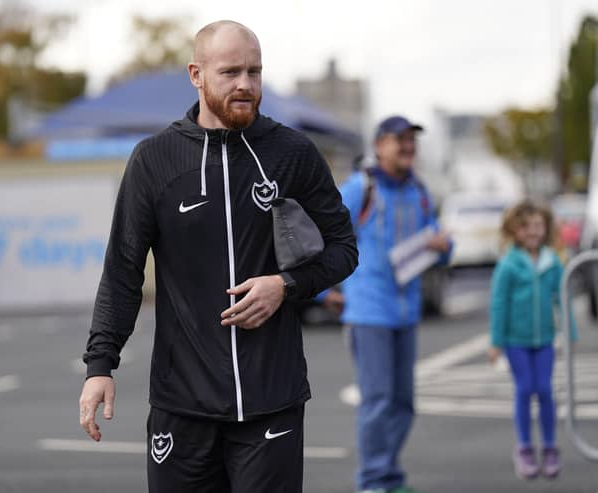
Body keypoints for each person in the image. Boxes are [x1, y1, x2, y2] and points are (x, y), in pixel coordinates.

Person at [78, 20, 358, 493]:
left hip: (272, 400)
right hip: (181, 405)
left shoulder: (293, 153)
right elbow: (123, 271)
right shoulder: (155, 160)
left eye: (255, 72)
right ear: (196, 74)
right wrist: (99, 366)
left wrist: (284, 286)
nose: (246, 85)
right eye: (230, 72)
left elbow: (344, 248)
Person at [321, 116, 452, 493]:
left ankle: (389, 474)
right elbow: (322, 235)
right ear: (379, 144)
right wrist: (321, 290)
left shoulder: (420, 192)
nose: (408, 147)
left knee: (403, 404)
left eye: (412, 140)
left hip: (406, 312)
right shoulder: (360, 189)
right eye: (400, 140)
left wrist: (444, 249)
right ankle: (374, 481)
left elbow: (438, 243)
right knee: (378, 403)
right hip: (368, 311)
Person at [488, 200, 577, 480]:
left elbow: (562, 300)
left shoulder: (552, 262)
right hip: (516, 341)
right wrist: (496, 341)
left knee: (545, 390)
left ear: (546, 228)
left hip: (545, 340)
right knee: (525, 389)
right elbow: (499, 304)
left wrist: (569, 333)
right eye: (525, 227)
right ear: (514, 231)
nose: (532, 232)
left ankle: (550, 446)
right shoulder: (508, 265)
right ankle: (525, 448)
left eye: (538, 225)